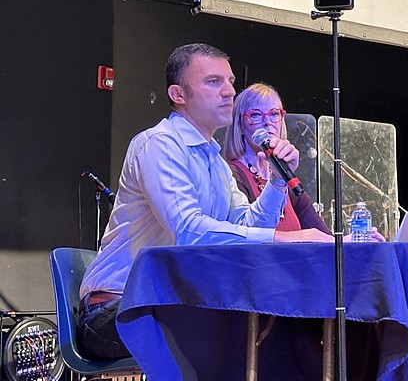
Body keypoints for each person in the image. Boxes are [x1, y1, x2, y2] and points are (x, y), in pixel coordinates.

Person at [79, 44, 332, 362]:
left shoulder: (213, 157)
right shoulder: (159, 145)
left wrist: (278, 183)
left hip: (166, 303)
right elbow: (188, 232)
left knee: (277, 324)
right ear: (178, 94)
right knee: (255, 331)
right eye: (214, 82)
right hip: (116, 310)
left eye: (230, 82)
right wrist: (286, 237)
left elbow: (245, 226)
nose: (229, 92)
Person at [221, 82, 384, 241]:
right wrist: (298, 237)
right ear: (239, 124)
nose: (267, 122)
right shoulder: (232, 175)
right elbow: (247, 237)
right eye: (256, 114)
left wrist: (352, 241)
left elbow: (321, 235)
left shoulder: (284, 175)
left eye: (274, 114)